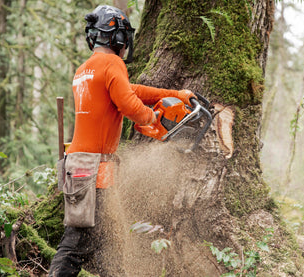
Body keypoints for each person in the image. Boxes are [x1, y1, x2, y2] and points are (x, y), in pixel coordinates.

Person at [48, 5, 196, 277]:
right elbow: (129, 103)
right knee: (75, 242)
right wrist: (152, 118)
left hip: (82, 165)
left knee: (104, 238)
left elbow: (129, 90)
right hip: (92, 168)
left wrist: (174, 93)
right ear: (118, 38)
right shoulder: (112, 63)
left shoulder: (85, 69)